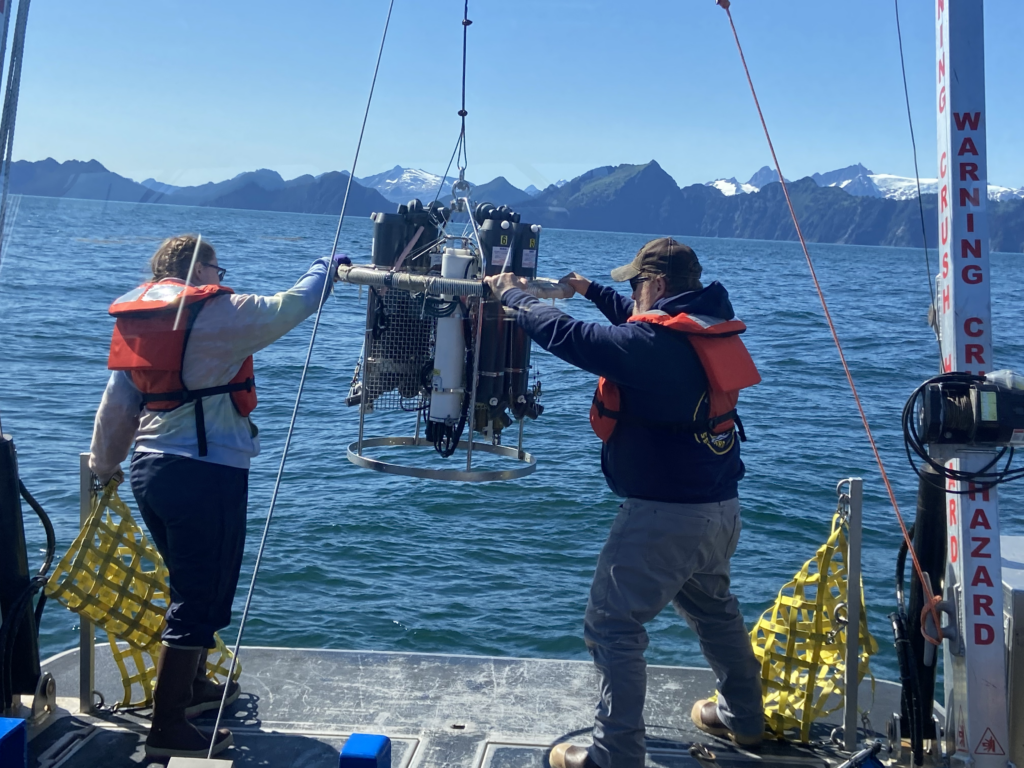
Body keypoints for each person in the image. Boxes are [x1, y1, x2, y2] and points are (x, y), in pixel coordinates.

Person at [484, 238, 765, 768]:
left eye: (635, 284)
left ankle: (614, 756)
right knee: (714, 612)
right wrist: (588, 289)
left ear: (657, 285)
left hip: (665, 518)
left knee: (612, 625)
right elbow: (637, 326)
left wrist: (514, 297)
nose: (631, 294)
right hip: (720, 509)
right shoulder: (703, 325)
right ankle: (744, 719)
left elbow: (573, 338)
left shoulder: (652, 347)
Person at [88, 234, 346, 759]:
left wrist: (103, 467)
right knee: (200, 596)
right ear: (198, 267)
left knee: (189, 583)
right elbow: (293, 305)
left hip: (149, 471)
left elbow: (117, 405)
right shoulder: (221, 312)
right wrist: (327, 266)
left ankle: (194, 688)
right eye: (217, 264)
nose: (221, 272)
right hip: (205, 473)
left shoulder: (141, 320)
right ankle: (168, 725)